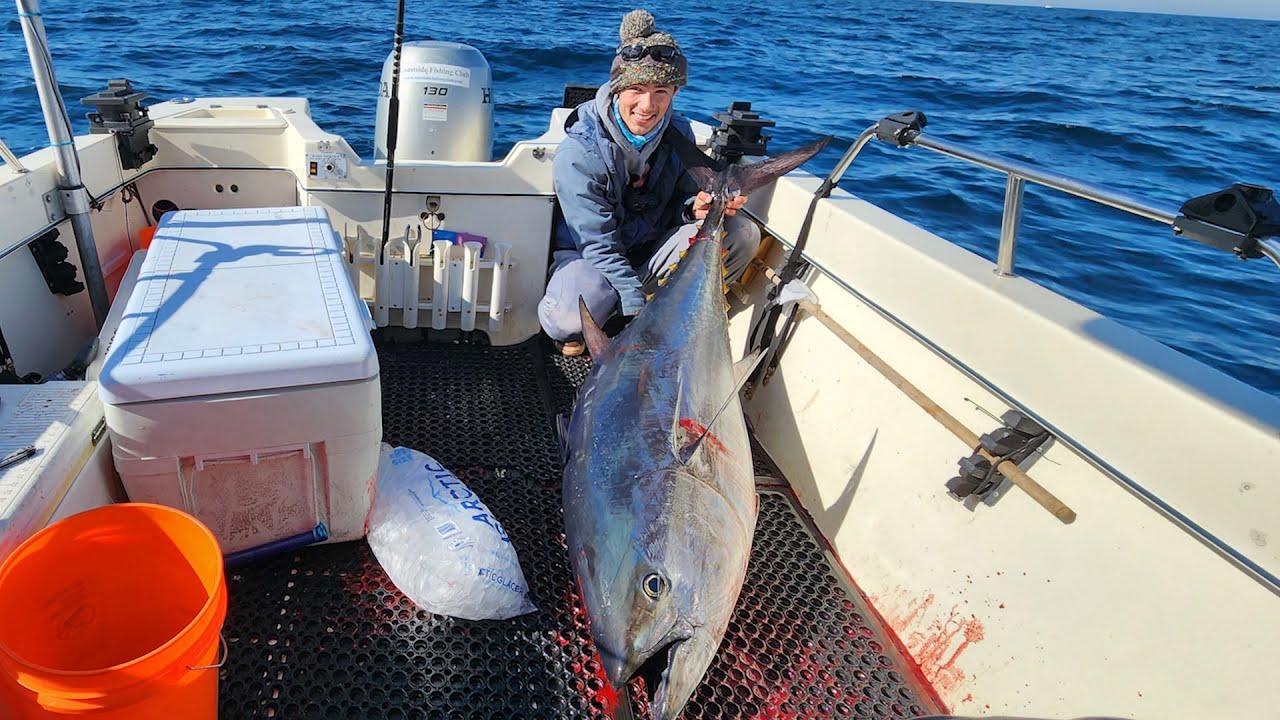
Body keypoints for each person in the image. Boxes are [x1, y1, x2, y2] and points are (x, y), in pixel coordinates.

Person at [538, 9, 761, 356]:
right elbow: (598, 246)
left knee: (742, 236)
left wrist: (695, 209)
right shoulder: (579, 153)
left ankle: (674, 318)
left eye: (661, 91)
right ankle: (625, 318)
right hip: (591, 261)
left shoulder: (680, 135)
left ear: (674, 92)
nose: (647, 104)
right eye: (636, 89)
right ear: (617, 89)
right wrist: (638, 315)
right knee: (568, 317)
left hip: (652, 255)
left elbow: (682, 204)